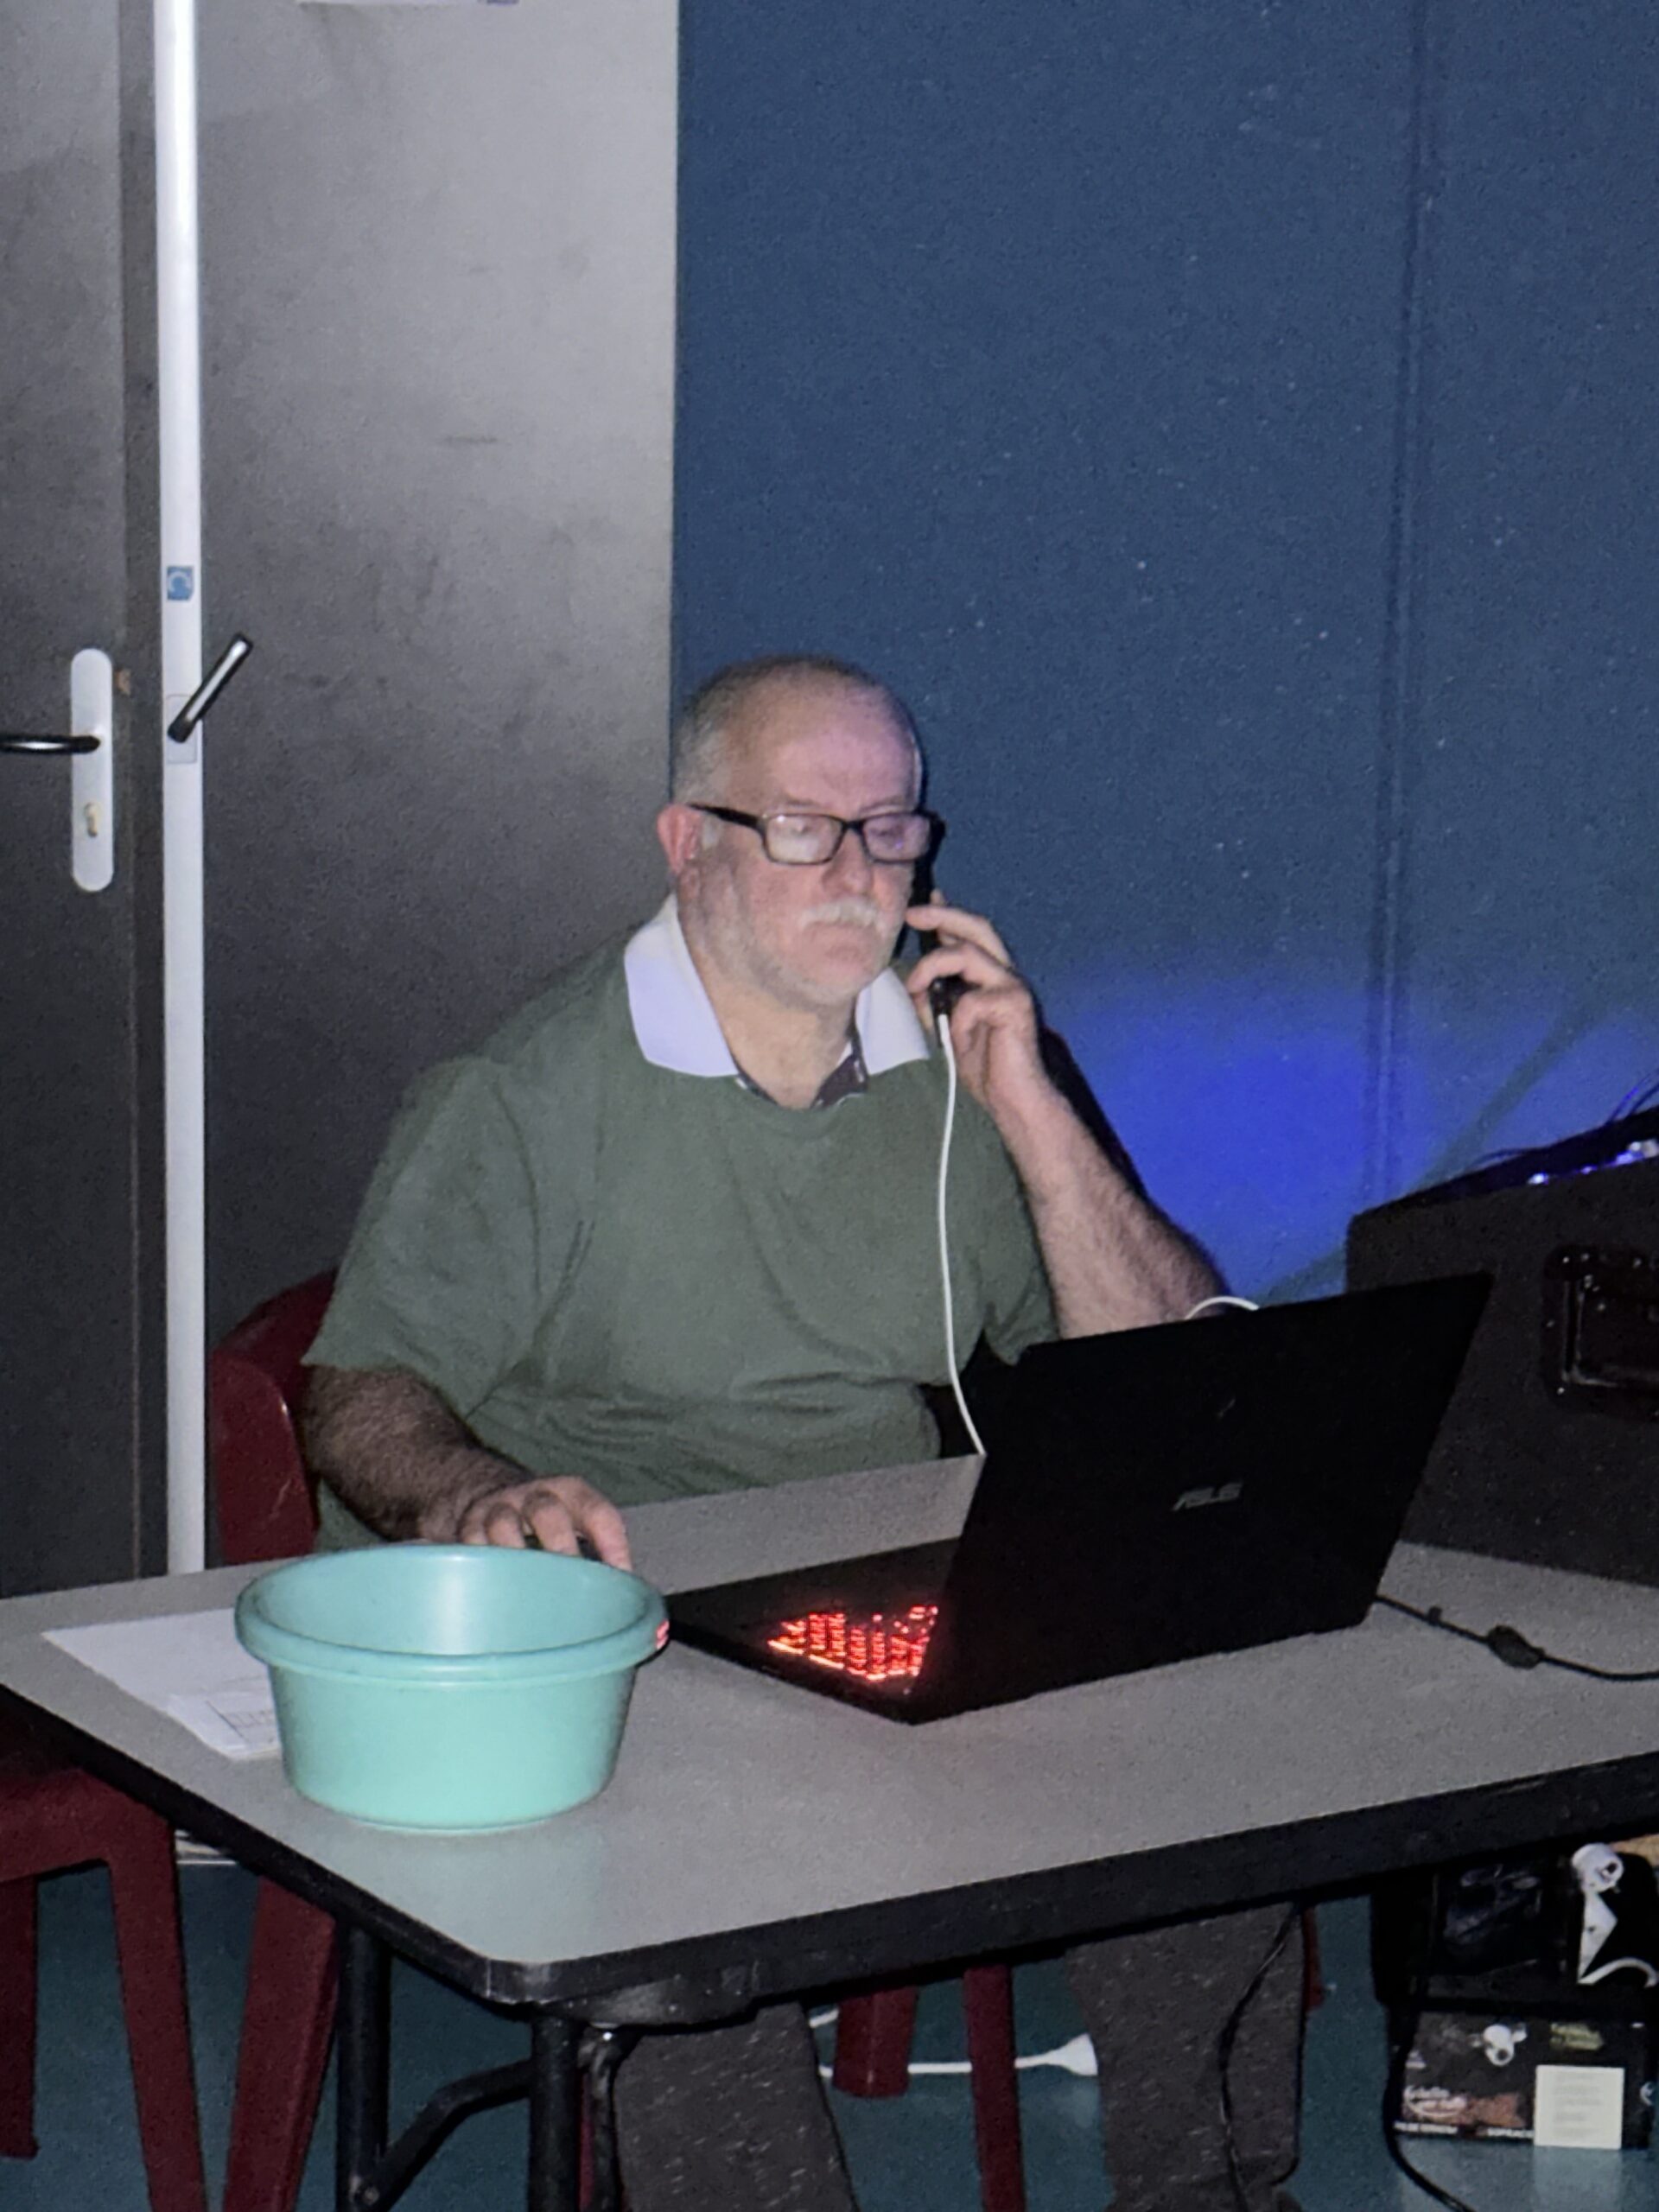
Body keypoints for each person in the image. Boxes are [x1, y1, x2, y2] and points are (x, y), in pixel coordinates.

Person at [302, 654, 1305, 2212]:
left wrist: (1035, 1115)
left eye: (892, 827)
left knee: (1203, 1764)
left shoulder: (948, 1069)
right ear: (686, 845)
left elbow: (1162, 1384)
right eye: (801, 827)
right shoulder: (523, 1096)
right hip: (629, 1616)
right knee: (670, 1898)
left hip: (874, 1596)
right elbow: (358, 1388)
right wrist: (477, 1494)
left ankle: (1207, 2195)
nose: (858, 870)